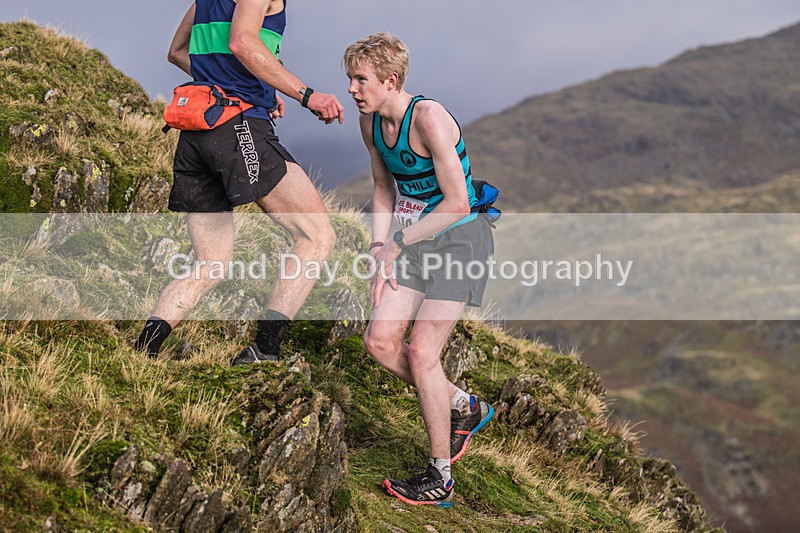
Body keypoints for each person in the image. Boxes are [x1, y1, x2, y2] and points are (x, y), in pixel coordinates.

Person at [134, 0, 344, 365]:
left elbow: (177, 52)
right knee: (317, 235)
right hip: (237, 124)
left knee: (212, 262)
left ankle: (143, 350)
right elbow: (242, 42)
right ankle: (265, 349)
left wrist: (256, 86)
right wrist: (307, 95)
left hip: (197, 130)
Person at [343, 33, 495, 508]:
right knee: (379, 341)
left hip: (461, 240)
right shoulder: (370, 123)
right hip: (412, 240)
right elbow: (383, 189)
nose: (351, 89)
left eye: (361, 79)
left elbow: (458, 203)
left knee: (423, 351)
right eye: (349, 78)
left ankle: (440, 477)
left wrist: (397, 244)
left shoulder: (429, 118)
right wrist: (378, 249)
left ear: (391, 80)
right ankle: (463, 405)